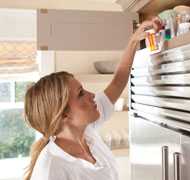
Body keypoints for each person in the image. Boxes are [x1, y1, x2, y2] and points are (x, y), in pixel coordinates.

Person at [23, 18, 162, 180]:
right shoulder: (50, 170)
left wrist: (133, 40)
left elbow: (117, 83)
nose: (93, 95)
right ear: (63, 115)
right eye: (81, 93)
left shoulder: (86, 132)